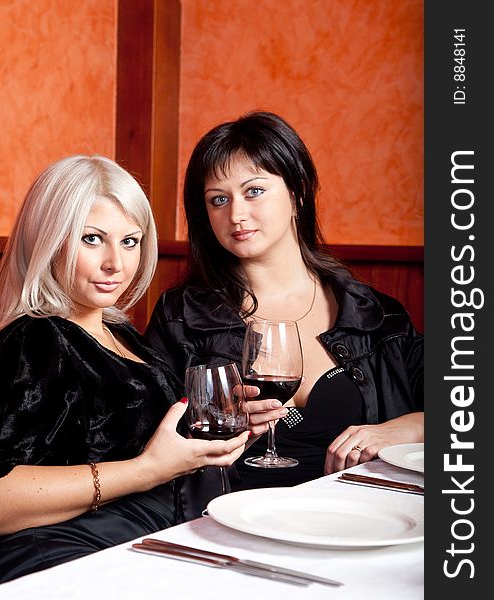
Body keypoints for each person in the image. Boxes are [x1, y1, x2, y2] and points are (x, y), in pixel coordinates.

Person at [0, 154, 250, 597]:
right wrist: (146, 470)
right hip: (54, 558)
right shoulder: (36, 339)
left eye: (130, 241)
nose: (116, 263)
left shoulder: (119, 332)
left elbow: (141, 442)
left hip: (141, 541)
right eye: (92, 239)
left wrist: (218, 431)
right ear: (48, 241)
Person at [145, 111, 424, 493]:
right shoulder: (181, 318)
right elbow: (147, 446)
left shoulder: (376, 315)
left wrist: (412, 425)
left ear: (298, 193)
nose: (236, 214)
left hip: (363, 519)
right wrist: (222, 436)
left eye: (254, 191)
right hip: (226, 520)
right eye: (218, 199)